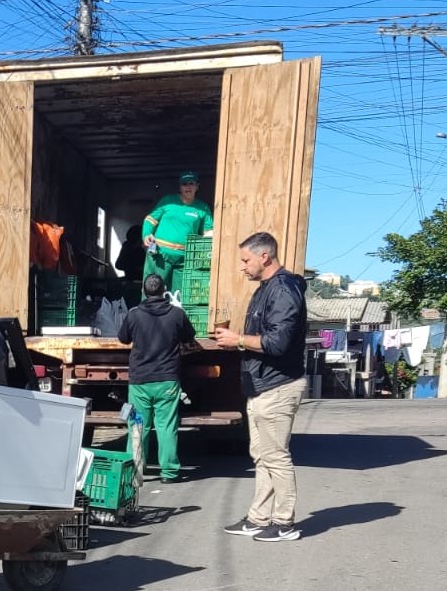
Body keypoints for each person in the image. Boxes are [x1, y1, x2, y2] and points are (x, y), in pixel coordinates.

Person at [214, 231, 308, 543]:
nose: (242, 267)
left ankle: (284, 523)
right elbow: (266, 340)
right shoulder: (267, 289)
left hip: (278, 386)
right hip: (262, 384)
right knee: (262, 454)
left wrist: (238, 339)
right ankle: (258, 518)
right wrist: (237, 342)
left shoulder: (282, 290)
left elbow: (278, 342)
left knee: (276, 456)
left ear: (264, 257)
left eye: (245, 260)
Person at [117, 273, 196, 483]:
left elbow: (123, 338)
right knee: (166, 426)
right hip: (167, 380)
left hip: (140, 381)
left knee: (137, 425)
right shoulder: (176, 314)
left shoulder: (134, 315)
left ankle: (134, 472)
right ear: (165, 291)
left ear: (143, 291)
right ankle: (169, 472)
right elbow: (190, 336)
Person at [142, 170, 214, 294]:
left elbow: (209, 232)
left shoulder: (203, 208)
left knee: (179, 296)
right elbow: (151, 219)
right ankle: (148, 313)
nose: (188, 187)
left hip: (184, 258)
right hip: (160, 254)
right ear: (180, 187)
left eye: (191, 183)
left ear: (197, 186)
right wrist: (146, 234)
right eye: (184, 184)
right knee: (152, 292)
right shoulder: (168, 201)